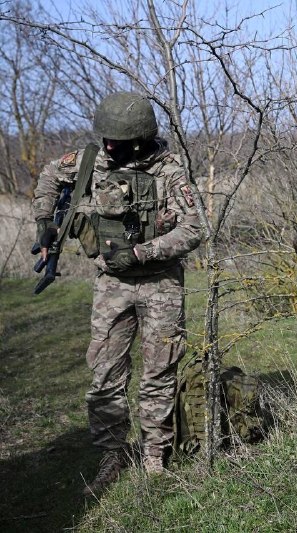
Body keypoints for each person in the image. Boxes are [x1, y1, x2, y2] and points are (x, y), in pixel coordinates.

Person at [32, 92, 203, 496]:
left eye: (118, 142)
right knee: (105, 374)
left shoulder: (170, 170)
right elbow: (48, 176)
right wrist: (44, 221)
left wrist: (142, 252)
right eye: (105, 139)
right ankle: (112, 455)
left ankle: (154, 456)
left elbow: (195, 229)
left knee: (159, 372)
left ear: (141, 140)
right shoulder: (92, 161)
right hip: (111, 287)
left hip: (161, 285)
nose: (109, 146)